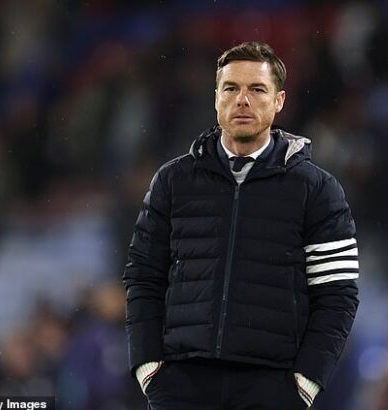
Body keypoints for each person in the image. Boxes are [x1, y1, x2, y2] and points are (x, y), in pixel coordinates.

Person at [123, 41, 360, 410]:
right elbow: (143, 276)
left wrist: (307, 382)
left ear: (279, 101)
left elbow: (338, 295)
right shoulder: (173, 181)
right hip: (181, 384)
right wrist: (147, 367)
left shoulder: (318, 190)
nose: (242, 100)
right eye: (231, 88)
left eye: (257, 89)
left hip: (273, 387)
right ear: (216, 98)